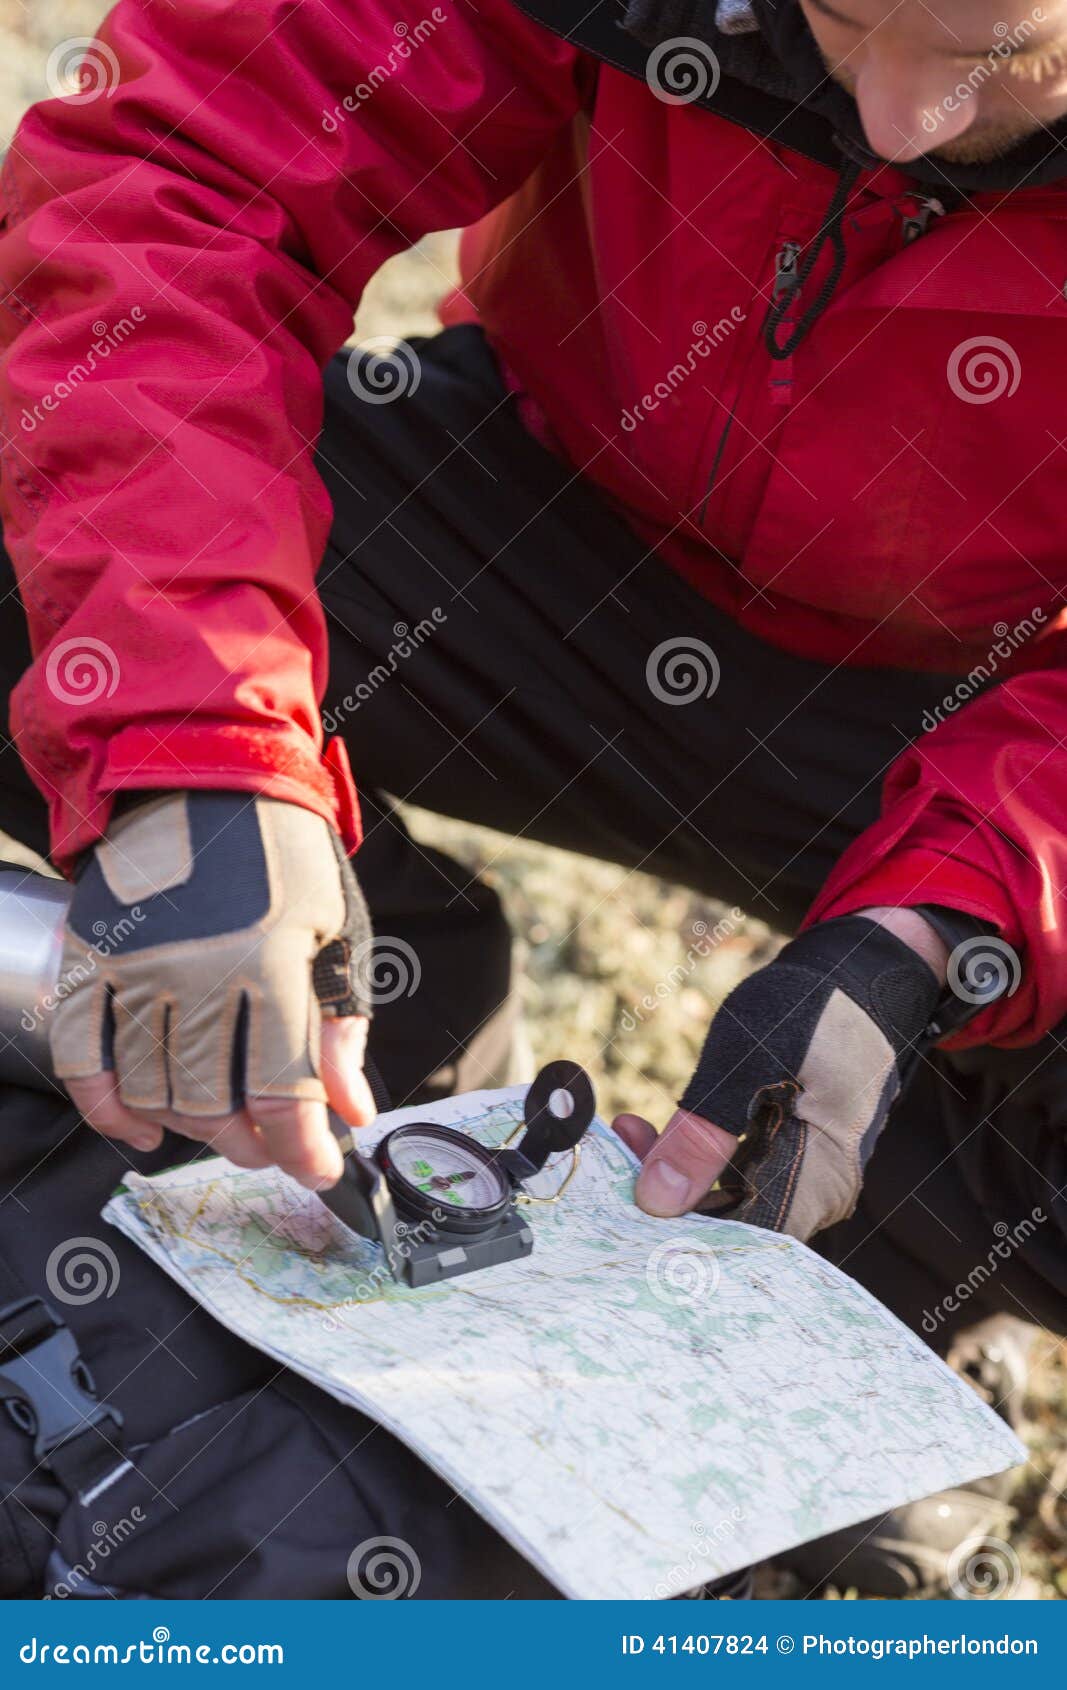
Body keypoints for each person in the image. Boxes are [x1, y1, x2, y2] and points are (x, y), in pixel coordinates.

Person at [1, 0, 1065, 1593]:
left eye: (1012, 56)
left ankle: (821, 1326)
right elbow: (191, 175)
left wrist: (936, 930)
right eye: (846, 19)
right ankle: (392, 1039)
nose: (903, 123)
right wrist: (197, 750)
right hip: (531, 482)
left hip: (990, 690)